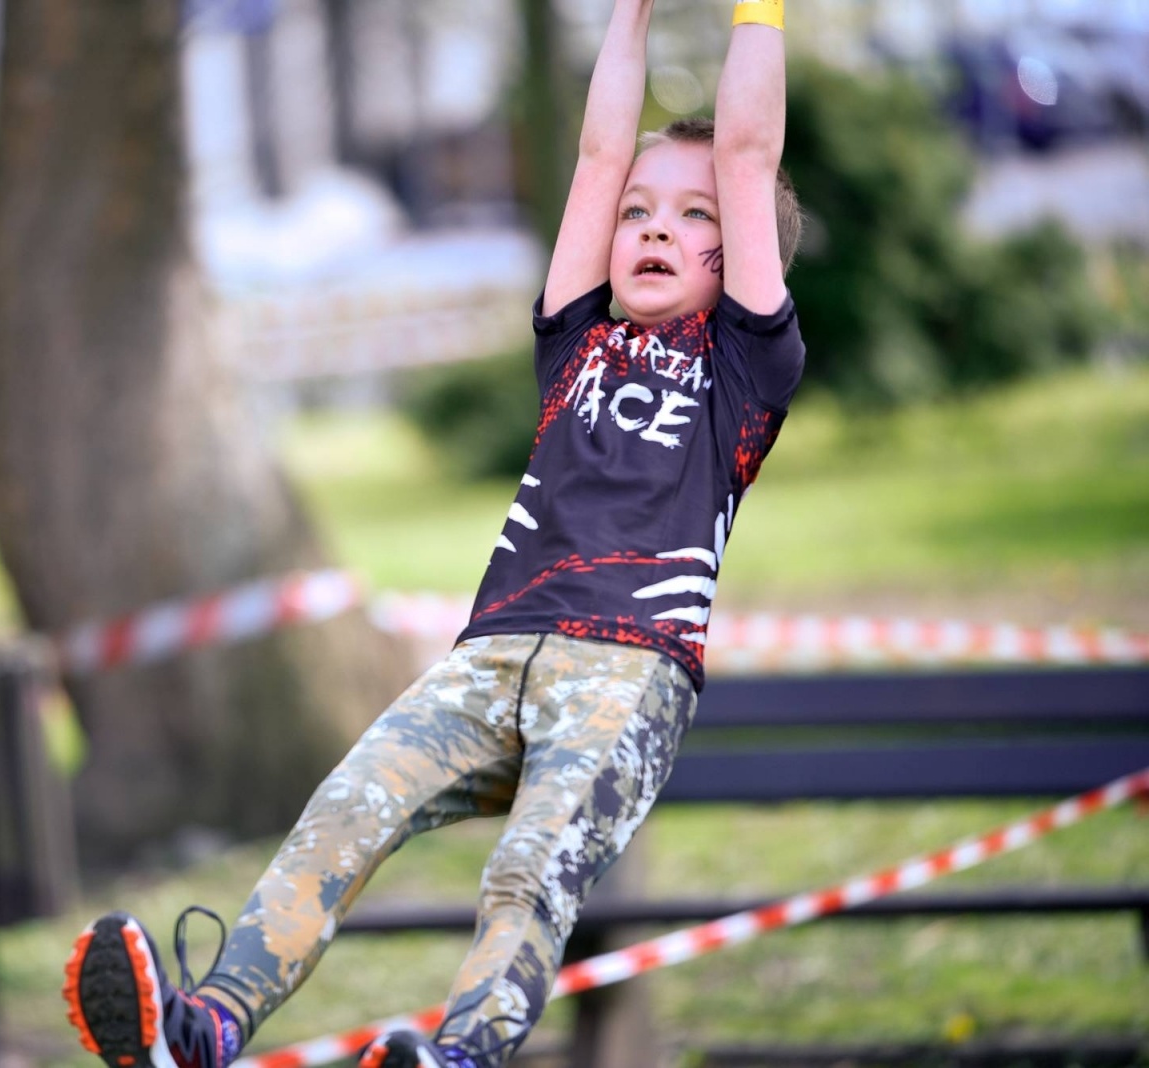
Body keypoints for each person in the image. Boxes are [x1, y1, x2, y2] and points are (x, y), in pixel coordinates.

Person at [62, 0, 805, 1065]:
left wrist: (755, 12)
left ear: (739, 257)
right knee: (344, 810)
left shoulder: (744, 369)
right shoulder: (574, 341)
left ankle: (463, 1055)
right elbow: (600, 153)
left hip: (626, 673)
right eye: (639, 212)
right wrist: (628, 16)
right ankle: (205, 1027)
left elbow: (745, 146)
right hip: (491, 654)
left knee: (527, 871)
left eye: (692, 218)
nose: (649, 227)